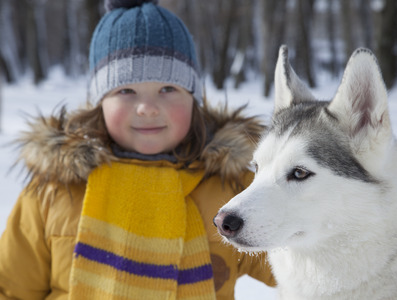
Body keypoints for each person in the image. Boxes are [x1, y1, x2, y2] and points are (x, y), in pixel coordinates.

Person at [0, 0, 275, 299]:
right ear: (100, 102)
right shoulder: (53, 191)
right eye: (125, 91)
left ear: (193, 100)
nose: (147, 108)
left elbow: (301, 268)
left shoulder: (234, 190)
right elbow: (12, 288)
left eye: (167, 89)